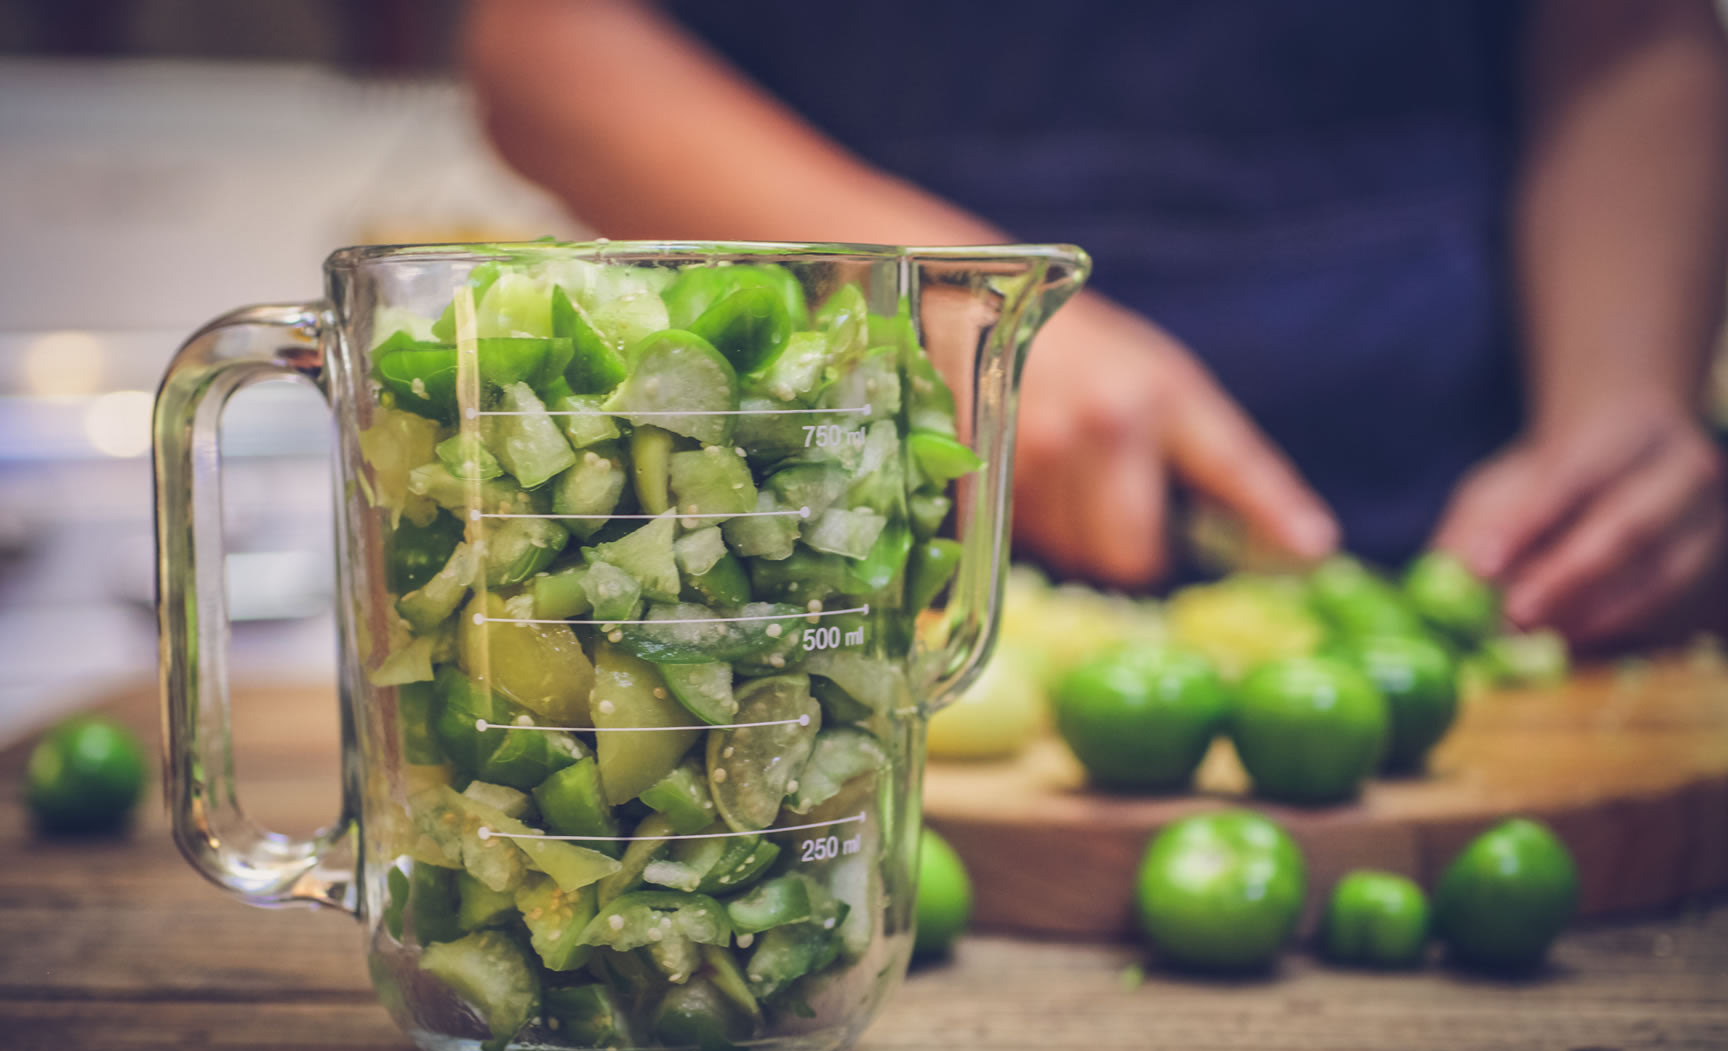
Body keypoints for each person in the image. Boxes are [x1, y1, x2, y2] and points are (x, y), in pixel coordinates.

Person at [464, 0, 1728, 649]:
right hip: (848, 560)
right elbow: (545, 33)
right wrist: (937, 301)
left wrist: (1623, 396)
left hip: (1475, 531)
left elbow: (1632, 26)